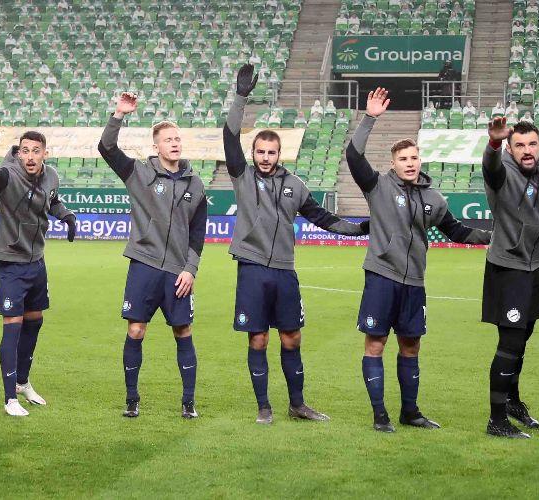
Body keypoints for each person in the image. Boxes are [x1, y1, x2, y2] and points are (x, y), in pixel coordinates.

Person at [225, 64, 368, 424]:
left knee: (292, 338)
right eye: (260, 152)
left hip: (285, 271)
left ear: (280, 154)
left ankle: (297, 404)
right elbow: (229, 136)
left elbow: (323, 217)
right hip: (253, 269)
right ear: (253, 153)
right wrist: (240, 97)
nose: (265, 157)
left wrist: (360, 229)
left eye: (271, 152)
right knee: (258, 339)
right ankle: (264, 407)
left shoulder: (295, 185)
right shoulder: (242, 176)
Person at [347, 88, 492, 432]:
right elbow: (353, 156)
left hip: (414, 282)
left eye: (414, 157)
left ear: (420, 160)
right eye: (403, 159)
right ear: (393, 164)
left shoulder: (435, 199)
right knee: (376, 343)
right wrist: (369, 118)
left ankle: (410, 413)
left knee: (411, 346)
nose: (410, 163)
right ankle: (380, 415)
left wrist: (493, 236)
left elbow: (456, 231)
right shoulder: (378, 187)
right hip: (381, 276)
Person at [99, 92, 208, 419]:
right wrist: (119, 114)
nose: (174, 143)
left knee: (183, 332)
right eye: (168, 139)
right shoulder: (139, 173)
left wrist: (190, 269)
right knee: (136, 331)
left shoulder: (196, 185)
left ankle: (188, 402)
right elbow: (106, 148)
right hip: (144, 266)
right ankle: (132, 399)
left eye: (177, 138)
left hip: (177, 272)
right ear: (156, 146)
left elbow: (198, 233)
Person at [0, 126, 77, 416]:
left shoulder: (52, 175)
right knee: (13, 325)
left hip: (37, 262)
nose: (30, 157)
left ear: (45, 154)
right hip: (11, 262)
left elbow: (52, 200)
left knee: (35, 321)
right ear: (18, 154)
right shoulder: (9, 175)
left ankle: (22, 382)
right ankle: (10, 399)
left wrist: (66, 216)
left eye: (36, 151)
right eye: (25, 151)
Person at [479, 118, 539, 438]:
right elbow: (490, 168)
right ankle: (496, 420)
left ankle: (513, 402)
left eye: (532, 144)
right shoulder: (501, 171)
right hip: (507, 267)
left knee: (522, 339)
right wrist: (493, 143)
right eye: (520, 145)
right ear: (510, 148)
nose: (527, 151)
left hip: (534, 266)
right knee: (510, 343)